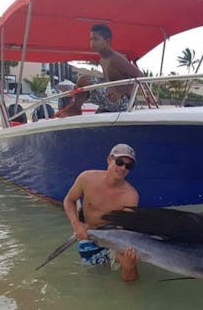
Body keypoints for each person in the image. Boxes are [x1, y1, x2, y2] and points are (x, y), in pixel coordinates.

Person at [63, 143, 140, 281]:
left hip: (114, 237)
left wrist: (124, 257)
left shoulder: (131, 196)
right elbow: (69, 200)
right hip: (87, 234)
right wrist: (76, 224)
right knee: (93, 277)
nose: (123, 168)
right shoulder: (86, 178)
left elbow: (124, 229)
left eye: (128, 166)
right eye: (119, 162)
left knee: (131, 271)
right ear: (109, 160)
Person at [55, 24, 144, 117]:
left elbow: (140, 76)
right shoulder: (102, 59)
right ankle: (75, 108)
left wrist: (121, 90)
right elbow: (107, 81)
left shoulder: (116, 58)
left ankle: (75, 109)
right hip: (112, 99)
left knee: (83, 79)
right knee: (83, 88)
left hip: (124, 103)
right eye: (91, 39)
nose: (92, 42)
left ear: (107, 41)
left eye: (96, 39)